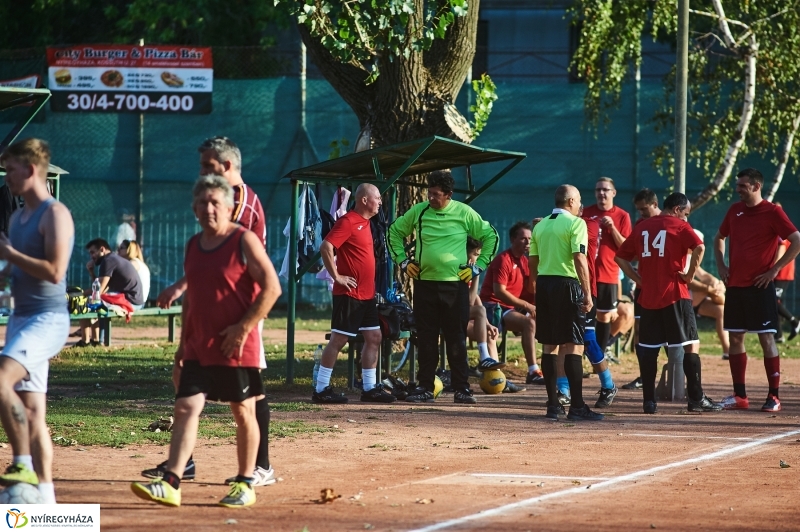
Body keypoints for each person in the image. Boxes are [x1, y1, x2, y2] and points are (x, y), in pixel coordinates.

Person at [130, 175, 282, 508]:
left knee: (243, 412)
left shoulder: (244, 240)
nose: (208, 208)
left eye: (215, 202)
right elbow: (194, 299)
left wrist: (242, 329)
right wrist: (183, 345)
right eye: (202, 202)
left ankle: (245, 482)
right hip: (200, 345)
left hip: (235, 346)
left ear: (229, 207)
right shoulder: (193, 245)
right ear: (194, 209)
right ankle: (172, 481)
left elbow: (272, 288)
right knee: (185, 406)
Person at [0, 138, 74, 504]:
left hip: (48, 320)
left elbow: (56, 271)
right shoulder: (17, 216)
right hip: (21, 318)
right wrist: (4, 269)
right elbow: (14, 268)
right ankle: (45, 500)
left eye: (10, 169)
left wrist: (10, 253)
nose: (7, 176)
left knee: (0, 379)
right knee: (32, 412)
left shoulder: (55, 213)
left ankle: (22, 463)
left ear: (30, 170)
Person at [387, 170, 498, 404]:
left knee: (456, 339)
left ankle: (462, 389)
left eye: (436, 194)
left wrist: (479, 267)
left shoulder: (464, 212)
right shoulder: (419, 212)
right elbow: (394, 232)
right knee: (426, 339)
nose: (431, 198)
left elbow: (490, 236)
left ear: (448, 195)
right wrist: (403, 261)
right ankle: (425, 387)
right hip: (425, 285)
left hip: (454, 287)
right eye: (429, 193)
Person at [616, 192, 722, 414]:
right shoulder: (679, 226)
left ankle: (649, 402)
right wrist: (689, 275)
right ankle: (695, 399)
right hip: (675, 294)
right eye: (685, 213)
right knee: (690, 344)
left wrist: (638, 280)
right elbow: (700, 248)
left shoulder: (643, 226)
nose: (686, 218)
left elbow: (621, 257)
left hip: (648, 298)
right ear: (676, 209)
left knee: (648, 349)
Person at [713, 168, 800, 412]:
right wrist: (721, 265)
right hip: (736, 286)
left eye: (742, 185)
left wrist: (774, 270)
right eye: (737, 185)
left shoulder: (773, 212)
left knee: (766, 338)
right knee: (736, 338)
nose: (737, 189)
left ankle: (774, 396)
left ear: (756, 186)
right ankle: (740, 396)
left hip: (761, 286)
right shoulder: (734, 211)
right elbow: (719, 238)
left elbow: (797, 239)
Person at [312, 183, 395, 404]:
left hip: (366, 296)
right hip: (349, 294)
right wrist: (337, 276)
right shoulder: (348, 221)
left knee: (374, 337)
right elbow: (326, 247)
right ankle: (321, 389)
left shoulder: (368, 223)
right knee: (339, 339)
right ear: (364, 200)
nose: (380, 201)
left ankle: (369, 389)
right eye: (377, 197)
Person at [528, 184, 603, 421]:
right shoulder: (576, 223)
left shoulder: (540, 226)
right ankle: (577, 407)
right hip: (567, 285)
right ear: (570, 201)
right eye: (579, 200)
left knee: (549, 345)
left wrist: (535, 286)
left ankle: (553, 406)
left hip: (545, 284)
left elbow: (533, 261)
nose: (581, 205)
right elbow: (579, 258)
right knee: (574, 345)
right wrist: (587, 292)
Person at [556, 206, 618, 409]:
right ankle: (563, 390)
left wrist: (550, 224)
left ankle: (608, 385)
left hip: (584, 290)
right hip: (563, 289)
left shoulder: (587, 224)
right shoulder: (560, 224)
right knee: (563, 341)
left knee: (588, 340)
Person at [479, 221, 544, 385]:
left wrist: (534, 261)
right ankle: (533, 371)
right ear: (513, 240)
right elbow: (500, 292)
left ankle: (556, 368)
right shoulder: (503, 259)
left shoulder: (525, 261)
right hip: (494, 306)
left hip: (512, 307)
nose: (528, 242)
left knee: (544, 319)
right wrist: (527, 306)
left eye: (530, 239)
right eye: (523, 239)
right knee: (529, 323)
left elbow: (531, 288)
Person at [466, 237, 524, 393]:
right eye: (476, 254)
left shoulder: (467, 268)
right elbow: (471, 301)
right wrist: (476, 275)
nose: (478, 258)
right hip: (449, 317)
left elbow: (475, 298)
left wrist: (487, 324)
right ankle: (485, 359)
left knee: (490, 332)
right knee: (480, 311)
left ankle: (498, 378)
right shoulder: (460, 269)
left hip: (462, 315)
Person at [582, 177, 632, 352]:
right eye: (598, 190)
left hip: (608, 275)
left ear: (613, 193)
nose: (601, 193)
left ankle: (599, 356)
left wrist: (613, 229)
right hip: (585, 274)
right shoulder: (586, 213)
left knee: (604, 317)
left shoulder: (622, 216)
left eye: (605, 189)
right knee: (584, 316)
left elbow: (626, 247)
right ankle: (580, 355)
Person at [621, 188, 661, 390]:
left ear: (655, 204)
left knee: (670, 334)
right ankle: (644, 375)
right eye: (638, 210)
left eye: (644, 209)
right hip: (644, 289)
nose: (641, 214)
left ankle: (676, 377)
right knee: (640, 332)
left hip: (666, 290)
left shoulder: (671, 222)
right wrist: (638, 278)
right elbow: (630, 255)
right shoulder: (640, 224)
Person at [76, 238, 143, 346]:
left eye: (93, 252)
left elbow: (99, 291)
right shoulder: (112, 259)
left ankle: (86, 342)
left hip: (130, 301)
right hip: (133, 300)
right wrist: (91, 272)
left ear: (102, 249)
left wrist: (78, 293)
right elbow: (100, 290)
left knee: (84, 302)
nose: (91, 256)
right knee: (94, 301)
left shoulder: (108, 261)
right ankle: (96, 340)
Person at [686, 230, 729, 359]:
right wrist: (708, 289)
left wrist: (717, 283)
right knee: (711, 292)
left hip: (695, 300)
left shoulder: (692, 257)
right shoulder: (680, 256)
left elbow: (703, 274)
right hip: (683, 299)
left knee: (720, 310)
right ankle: (728, 303)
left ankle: (728, 351)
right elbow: (687, 281)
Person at [773, 203, 800, 342]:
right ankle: (778, 335)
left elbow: (781, 248)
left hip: (781, 272)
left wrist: (773, 268)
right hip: (781, 272)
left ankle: (794, 321)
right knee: (775, 302)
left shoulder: (780, 227)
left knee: (773, 300)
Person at [119, 240, 150, 304]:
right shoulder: (138, 262)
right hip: (137, 299)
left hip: (135, 301)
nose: (118, 250)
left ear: (129, 250)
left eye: (121, 248)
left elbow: (120, 279)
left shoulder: (133, 263)